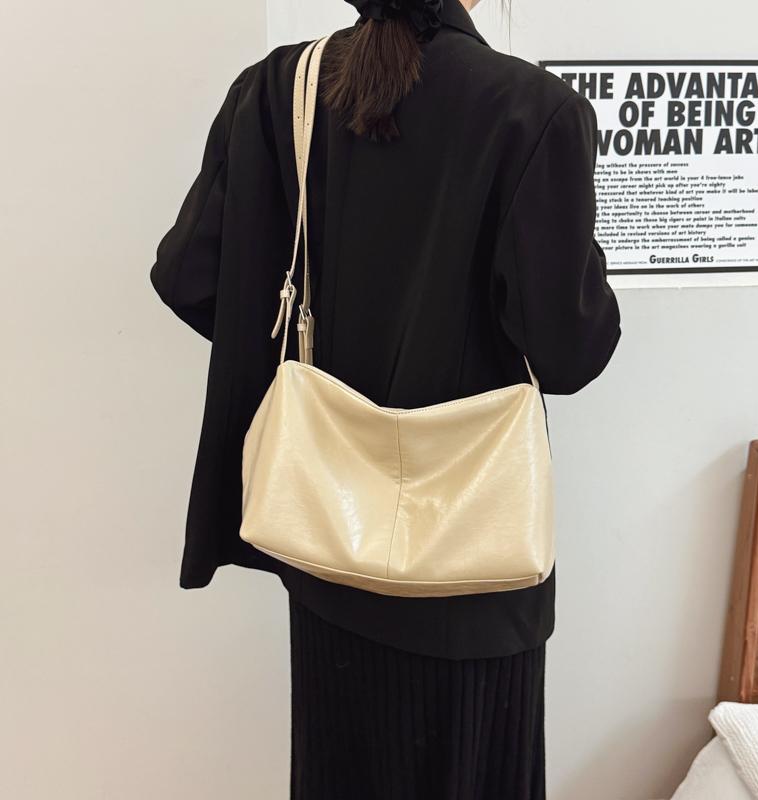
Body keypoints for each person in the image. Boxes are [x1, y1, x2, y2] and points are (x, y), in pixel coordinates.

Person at [149, 0, 622, 796]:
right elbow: (569, 352)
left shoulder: (281, 90)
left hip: (327, 545)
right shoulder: (534, 112)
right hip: (476, 572)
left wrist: (310, 356)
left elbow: (191, 278)